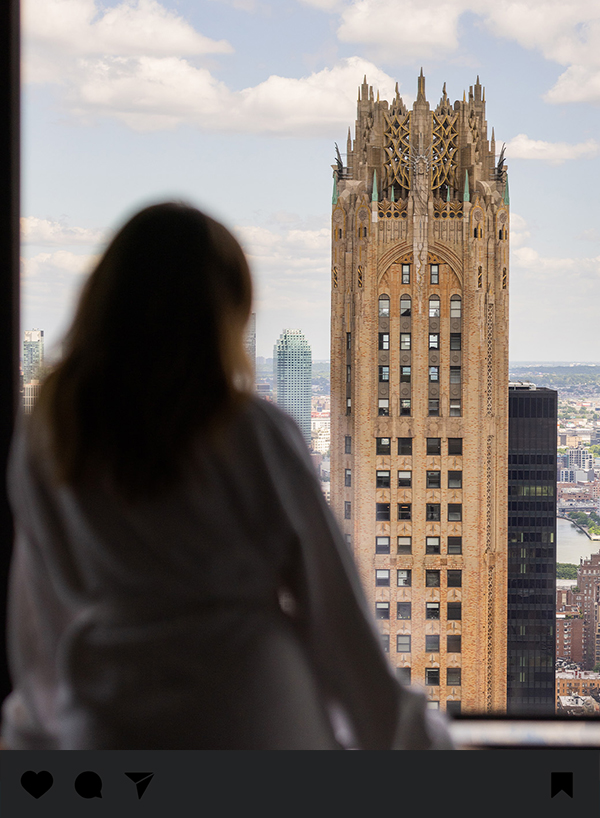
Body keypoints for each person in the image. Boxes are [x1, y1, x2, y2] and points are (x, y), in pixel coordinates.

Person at [1, 202, 451, 750]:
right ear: (224, 312)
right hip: (253, 714)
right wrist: (414, 746)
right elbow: (335, 615)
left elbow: (39, 624)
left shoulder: (49, 436)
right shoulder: (252, 432)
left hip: (111, 717)